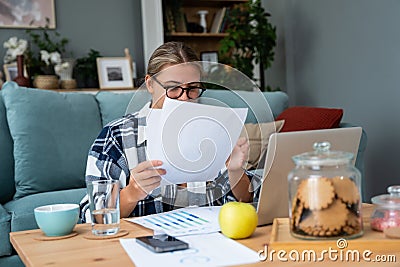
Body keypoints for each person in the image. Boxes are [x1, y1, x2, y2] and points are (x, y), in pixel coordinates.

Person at [80, 42, 252, 222]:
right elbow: (90, 216)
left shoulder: (215, 130)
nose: (184, 98)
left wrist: (235, 171)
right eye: (173, 88)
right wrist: (132, 193)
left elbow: (247, 201)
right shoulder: (116, 136)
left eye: (192, 89)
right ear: (150, 84)